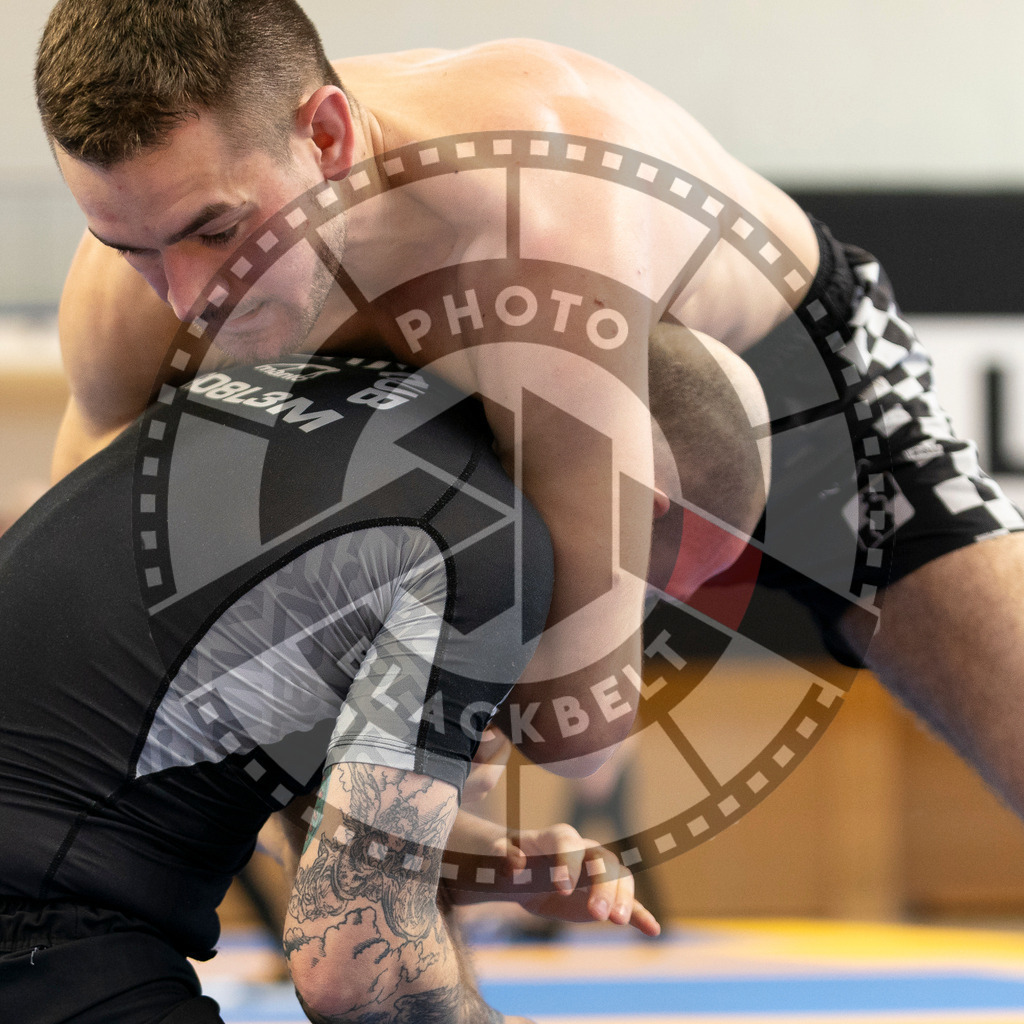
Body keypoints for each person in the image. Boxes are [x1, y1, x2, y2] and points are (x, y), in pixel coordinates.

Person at [33, 3, 1024, 857]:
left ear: (327, 136)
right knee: (367, 822)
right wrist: (315, 756)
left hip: (794, 373)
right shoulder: (127, 301)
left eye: (218, 231)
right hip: (482, 413)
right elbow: (114, 620)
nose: (191, 297)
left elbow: (580, 732)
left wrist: (406, 731)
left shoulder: (534, 222)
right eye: (129, 246)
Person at [0, 354, 670, 1024]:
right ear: (647, 512)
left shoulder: (296, 407)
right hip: (49, 936)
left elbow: (292, 791)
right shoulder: (482, 536)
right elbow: (356, 971)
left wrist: (483, 860)